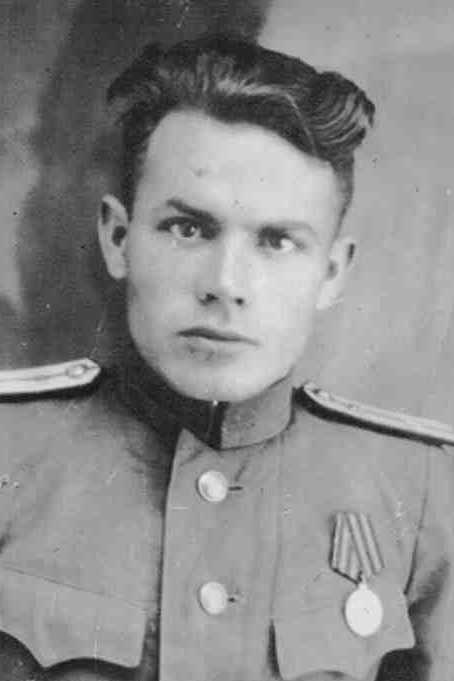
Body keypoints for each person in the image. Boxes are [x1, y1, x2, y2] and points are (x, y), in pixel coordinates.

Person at [0, 34, 453, 681]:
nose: (226, 283)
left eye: (277, 241)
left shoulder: (427, 495)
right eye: (189, 228)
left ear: (331, 272)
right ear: (119, 238)